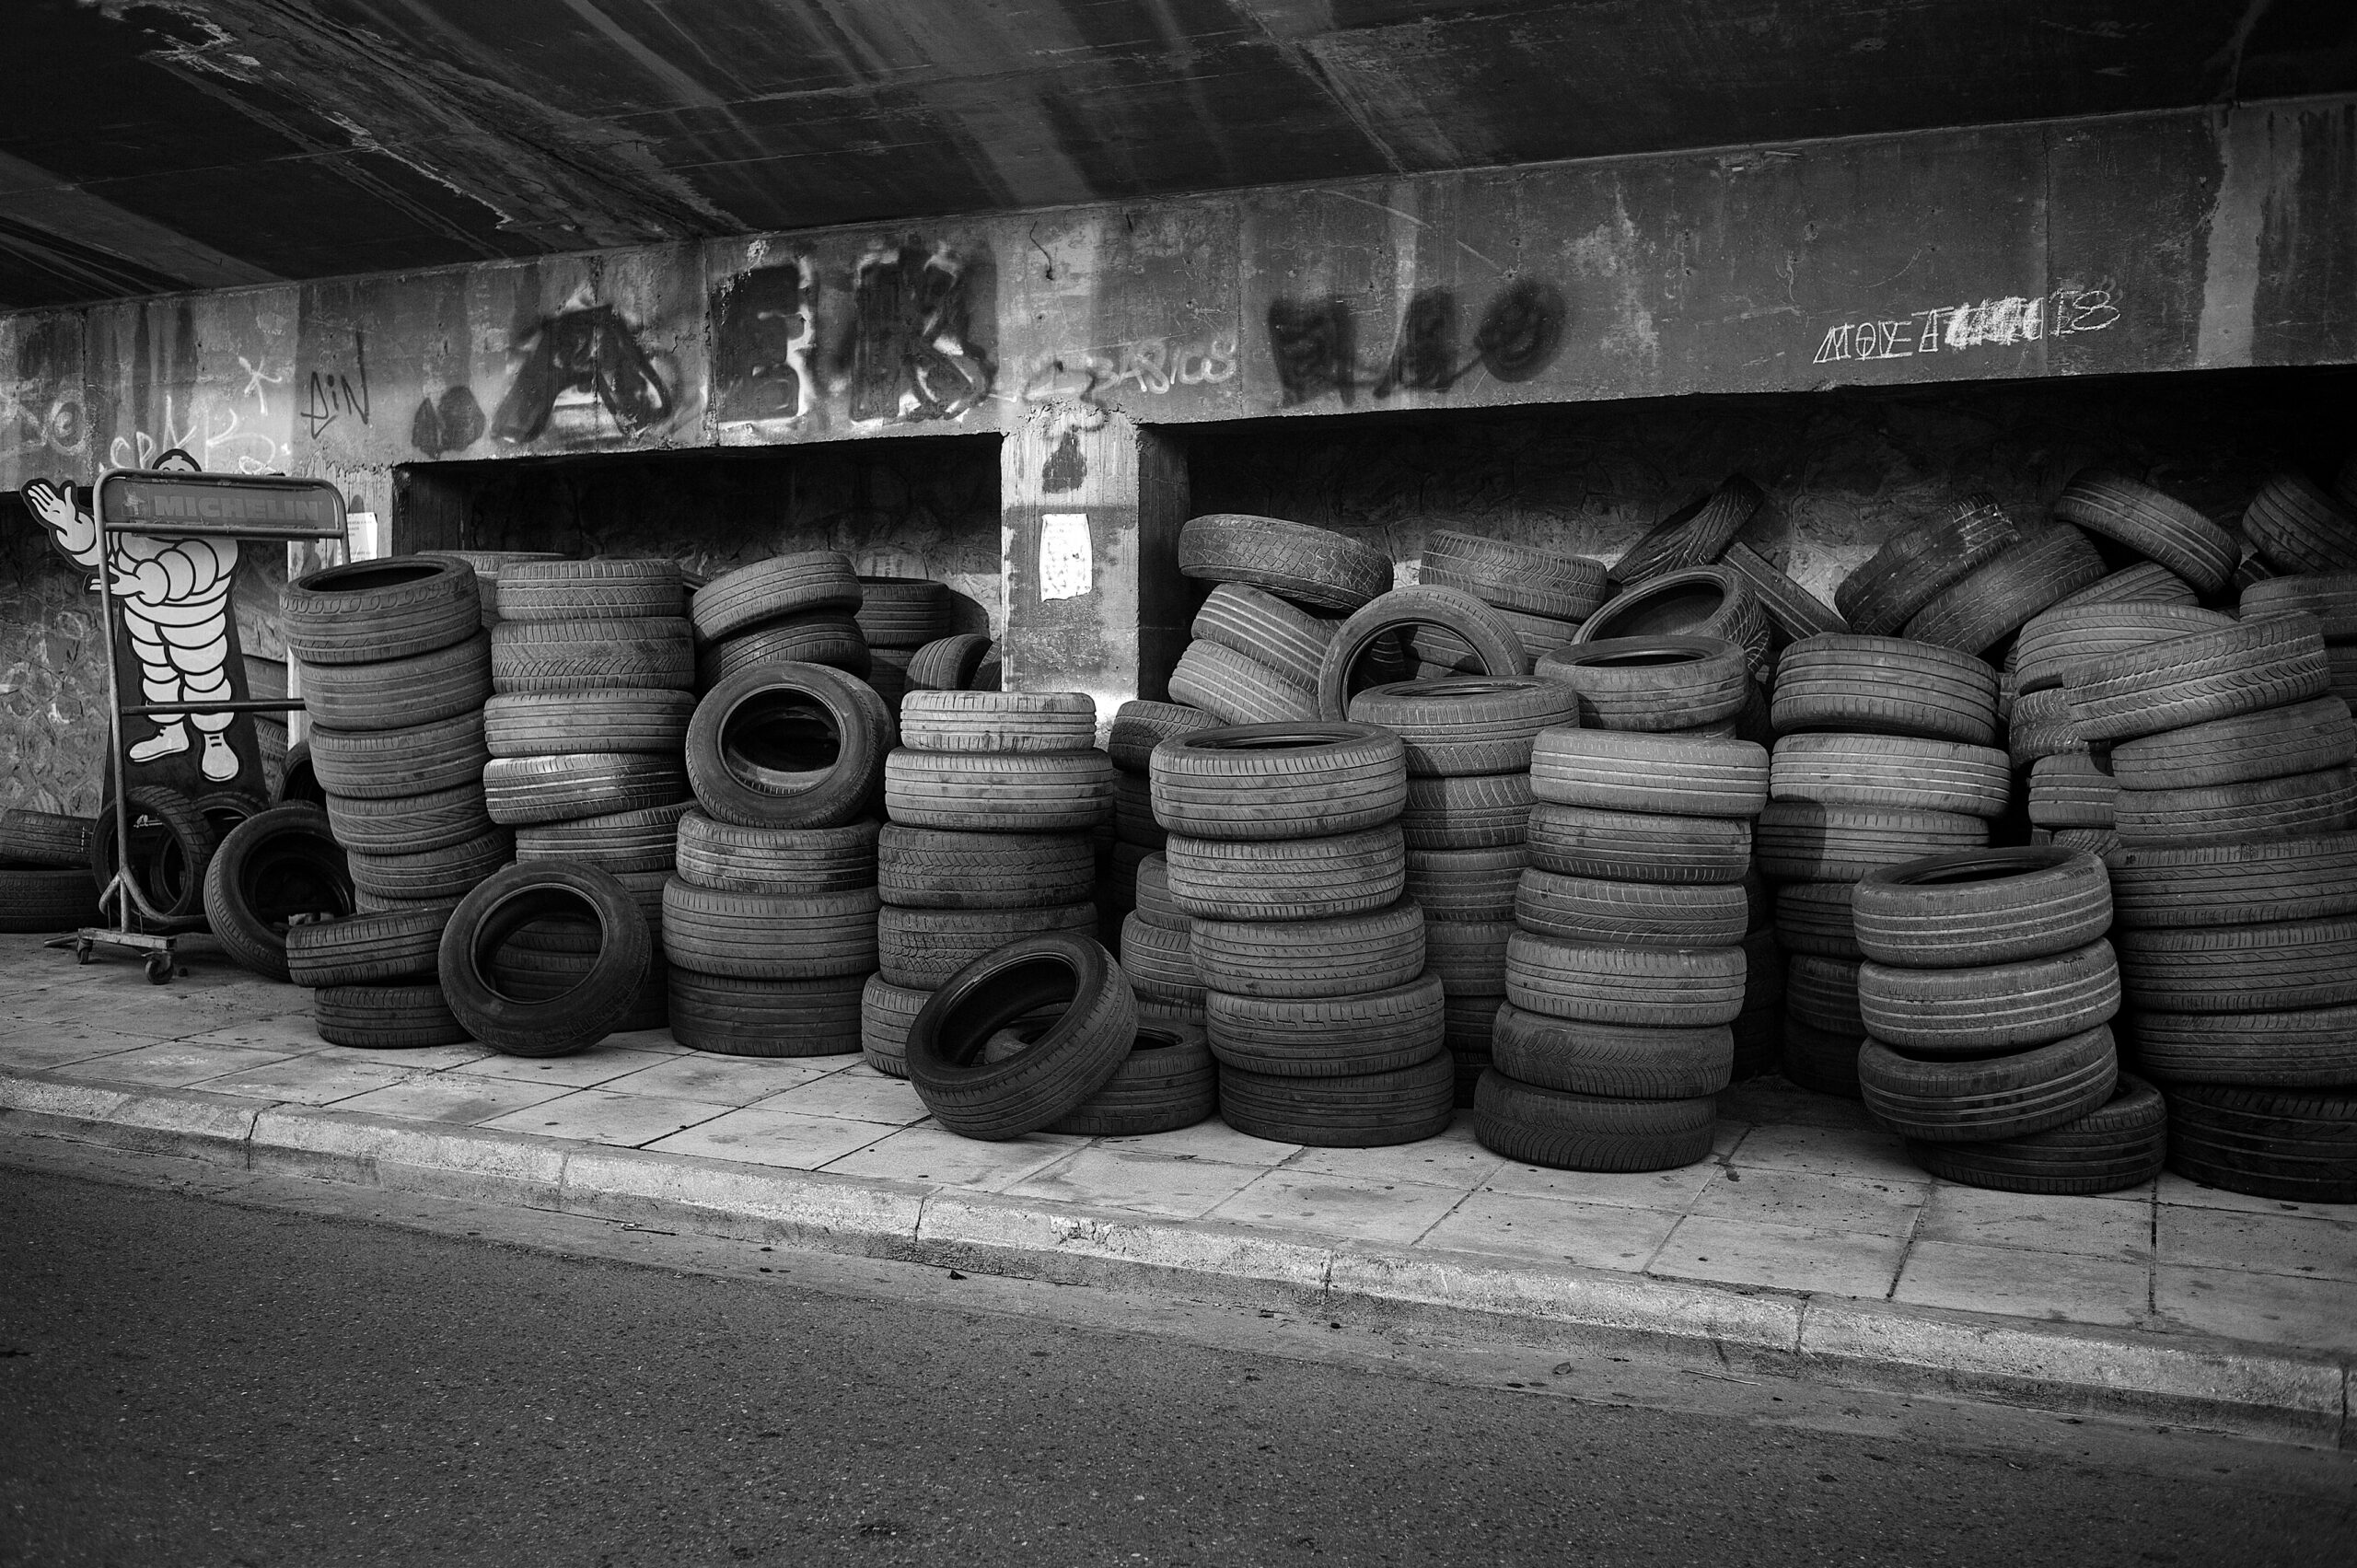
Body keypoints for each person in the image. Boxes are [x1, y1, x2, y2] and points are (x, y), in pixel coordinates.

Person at [21, 449, 244, 784]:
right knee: (157, 677)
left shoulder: (213, 530)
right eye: (163, 470)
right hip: (146, 624)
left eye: (179, 469)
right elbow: (102, 546)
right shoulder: (133, 526)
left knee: (206, 681)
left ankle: (215, 742)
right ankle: (171, 733)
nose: (170, 474)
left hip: (196, 627)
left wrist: (141, 580)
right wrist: (72, 524)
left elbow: (196, 566)